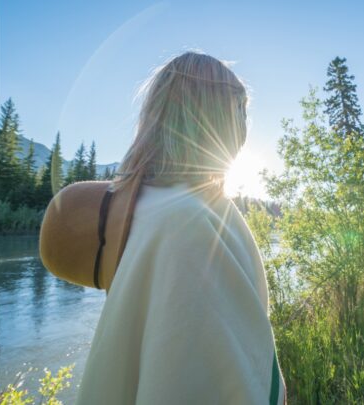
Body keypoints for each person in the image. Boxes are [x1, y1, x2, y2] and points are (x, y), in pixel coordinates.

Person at [75, 51, 286, 404]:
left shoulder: (141, 208)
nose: (244, 126)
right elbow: (217, 381)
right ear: (213, 117)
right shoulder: (191, 223)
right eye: (239, 110)